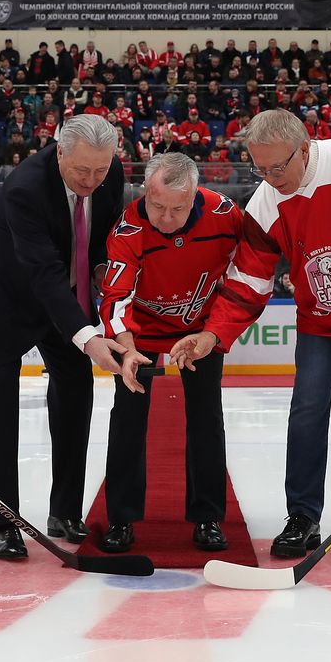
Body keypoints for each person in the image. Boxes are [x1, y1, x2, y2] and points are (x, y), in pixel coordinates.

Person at [171, 109, 331, 563]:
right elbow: (248, 282)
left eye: (278, 167)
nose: (270, 178)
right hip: (320, 317)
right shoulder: (265, 204)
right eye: (259, 168)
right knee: (306, 411)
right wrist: (213, 334)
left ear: (305, 149)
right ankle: (303, 516)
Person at [0, 114, 137, 560]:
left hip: (64, 295)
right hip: (2, 296)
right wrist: (89, 338)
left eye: (101, 170)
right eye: (81, 171)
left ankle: (65, 511)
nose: (92, 180)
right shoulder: (25, 187)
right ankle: (3, 520)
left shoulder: (109, 174)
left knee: (76, 387)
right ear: (59, 153)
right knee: (1, 396)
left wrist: (108, 305)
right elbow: (44, 274)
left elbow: (106, 244)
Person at [96, 153, 244, 554]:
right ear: (145, 190)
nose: (165, 217)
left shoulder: (226, 215)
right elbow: (115, 298)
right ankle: (122, 518)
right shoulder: (127, 229)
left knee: (206, 416)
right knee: (127, 416)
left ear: (195, 195)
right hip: (140, 333)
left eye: (177, 208)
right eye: (156, 205)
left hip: (200, 329)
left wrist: (214, 332)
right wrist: (126, 351)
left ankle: (208, 516)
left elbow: (243, 275)